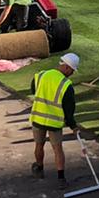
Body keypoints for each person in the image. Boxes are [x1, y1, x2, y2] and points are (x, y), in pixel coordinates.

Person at [29, 52, 79, 188]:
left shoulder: (41, 75)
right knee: (58, 149)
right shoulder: (66, 85)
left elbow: (34, 90)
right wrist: (73, 126)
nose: (72, 74)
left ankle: (39, 169)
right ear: (67, 67)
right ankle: (61, 179)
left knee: (39, 145)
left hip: (38, 118)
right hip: (54, 122)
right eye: (72, 71)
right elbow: (69, 112)